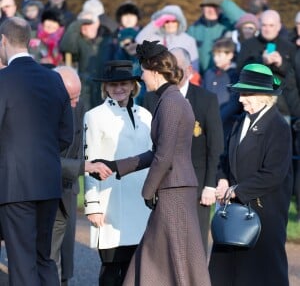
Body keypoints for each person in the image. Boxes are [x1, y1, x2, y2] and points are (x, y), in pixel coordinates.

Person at [95, 41, 212, 286]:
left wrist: (147, 191)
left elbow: (164, 156)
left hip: (174, 191)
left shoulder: (170, 102)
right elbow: (158, 153)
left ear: (155, 72)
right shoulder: (169, 99)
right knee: (161, 258)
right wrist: (116, 166)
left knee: (170, 258)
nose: (142, 78)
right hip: (175, 188)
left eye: (143, 72)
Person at [0, 17, 73, 286]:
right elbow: (66, 133)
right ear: (30, 41)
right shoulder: (54, 79)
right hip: (48, 181)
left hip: (14, 183)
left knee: (21, 262)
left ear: (3, 41)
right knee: (44, 259)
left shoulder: (2, 80)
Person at [209, 63, 293, 286]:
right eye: (240, 93)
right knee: (226, 270)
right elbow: (225, 158)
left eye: (246, 93)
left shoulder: (278, 126)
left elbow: (274, 173)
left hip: (264, 213)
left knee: (262, 272)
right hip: (235, 210)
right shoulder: (240, 122)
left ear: (265, 96)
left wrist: (237, 191)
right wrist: (223, 178)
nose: (240, 99)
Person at [143, 47, 223, 255]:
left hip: (196, 183)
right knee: (165, 246)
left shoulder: (207, 99)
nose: (171, 71)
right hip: (163, 183)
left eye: (175, 67)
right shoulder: (151, 98)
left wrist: (210, 184)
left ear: (188, 70)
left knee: (195, 245)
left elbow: (215, 145)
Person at [84, 60, 152, 286]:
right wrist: (92, 205)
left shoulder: (145, 115)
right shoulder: (95, 116)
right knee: (112, 270)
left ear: (134, 85)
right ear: (105, 88)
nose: (119, 88)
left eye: (124, 83)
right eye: (113, 85)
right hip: (112, 203)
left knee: (138, 268)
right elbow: (89, 162)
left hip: (142, 202)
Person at [50, 66, 106, 286]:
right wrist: (82, 167)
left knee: (67, 246)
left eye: (78, 96)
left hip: (68, 185)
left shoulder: (79, 106)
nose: (75, 103)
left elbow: (80, 143)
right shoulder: (37, 109)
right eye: (71, 97)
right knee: (47, 247)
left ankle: (65, 280)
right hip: (44, 186)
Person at [237, 9, 298, 119]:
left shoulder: (289, 47)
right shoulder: (248, 45)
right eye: (264, 25)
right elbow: (240, 71)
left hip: (283, 106)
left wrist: (281, 64)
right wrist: (261, 61)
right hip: (254, 104)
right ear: (259, 25)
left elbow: (294, 75)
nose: (267, 29)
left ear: (279, 26)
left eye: (271, 25)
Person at [60, 8, 115, 110]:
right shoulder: (78, 41)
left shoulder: (107, 38)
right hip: (85, 86)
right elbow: (66, 47)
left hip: (105, 86)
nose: (85, 27)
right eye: (81, 24)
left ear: (97, 23)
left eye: (88, 23)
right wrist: (74, 27)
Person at [187, 0, 244, 75]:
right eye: (208, 6)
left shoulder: (228, 26)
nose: (211, 10)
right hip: (199, 78)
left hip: (224, 76)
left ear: (221, 9)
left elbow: (245, 20)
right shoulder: (193, 29)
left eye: (215, 6)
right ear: (202, 8)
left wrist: (224, 2)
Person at [136, 4, 199, 72]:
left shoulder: (188, 40)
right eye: (167, 21)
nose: (170, 24)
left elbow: (194, 63)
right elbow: (139, 40)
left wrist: (192, 76)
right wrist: (155, 24)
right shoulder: (154, 37)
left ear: (179, 22)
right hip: (157, 76)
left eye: (174, 21)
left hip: (180, 77)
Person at [202, 37, 241, 142]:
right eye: (214, 55)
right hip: (208, 122)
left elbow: (234, 103)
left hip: (227, 124)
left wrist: (218, 119)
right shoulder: (209, 73)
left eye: (219, 55)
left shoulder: (235, 75)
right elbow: (203, 96)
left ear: (230, 55)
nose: (215, 59)